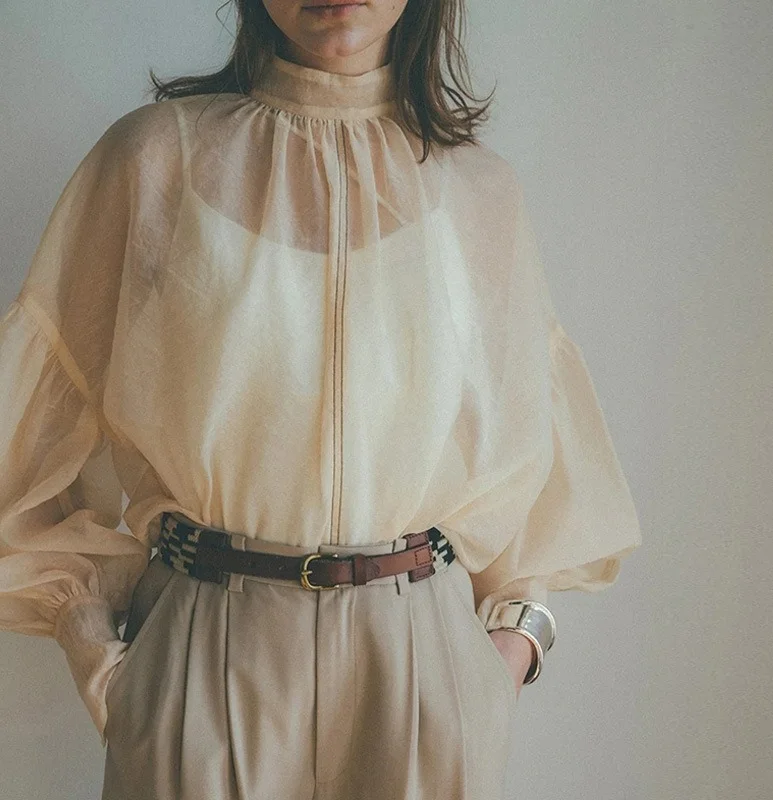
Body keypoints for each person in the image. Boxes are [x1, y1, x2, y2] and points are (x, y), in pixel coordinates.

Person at [0, 1, 643, 798]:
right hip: (204, 652)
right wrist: (108, 667)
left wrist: (505, 661)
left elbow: (529, 467)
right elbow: (31, 428)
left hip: (418, 672)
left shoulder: (480, 192)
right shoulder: (156, 159)